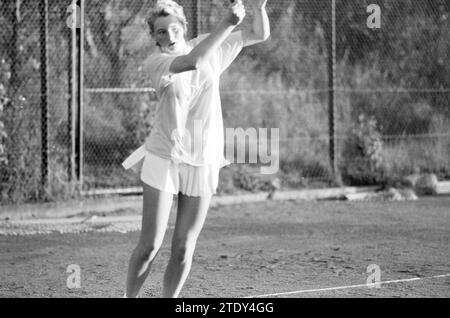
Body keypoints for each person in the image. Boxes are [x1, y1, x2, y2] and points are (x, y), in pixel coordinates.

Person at [122, 0, 270, 298]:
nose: (169, 35)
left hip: (204, 158)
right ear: (154, 37)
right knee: (150, 246)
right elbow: (192, 62)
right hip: (164, 156)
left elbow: (258, 34)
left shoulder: (206, 44)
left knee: (183, 248)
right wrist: (227, 22)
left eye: (175, 28)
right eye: (161, 32)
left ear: (184, 28)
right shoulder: (157, 63)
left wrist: (258, 7)